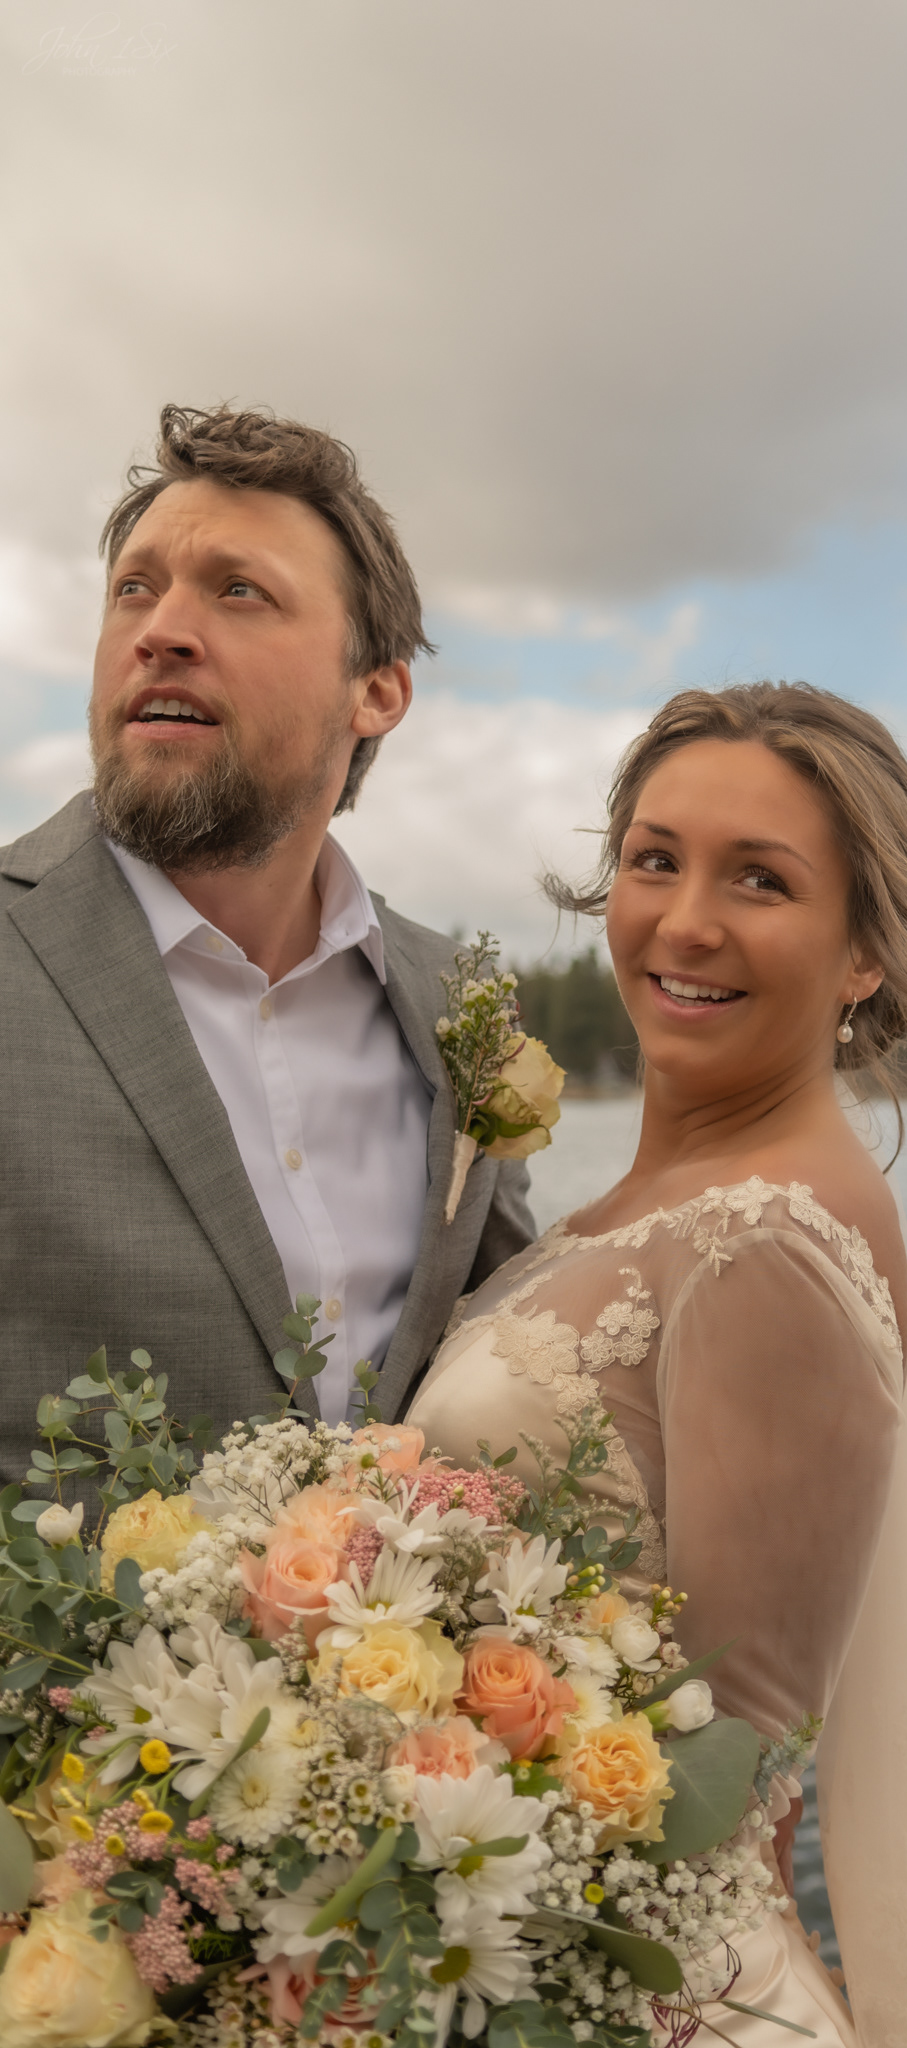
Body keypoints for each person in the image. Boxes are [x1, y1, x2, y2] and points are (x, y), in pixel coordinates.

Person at [407, 682, 907, 2047]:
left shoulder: (766, 1238)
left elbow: (732, 1775)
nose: (686, 920)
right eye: (655, 858)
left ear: (862, 952)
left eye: (760, 879)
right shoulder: (644, 1205)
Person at [0, 404, 533, 1487]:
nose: (162, 629)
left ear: (376, 690)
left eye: (238, 591)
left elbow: (507, 1359)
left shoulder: (460, 1007)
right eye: (134, 588)